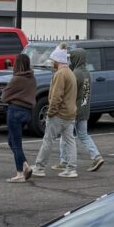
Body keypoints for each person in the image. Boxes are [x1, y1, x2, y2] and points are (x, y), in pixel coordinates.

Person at [32, 47, 77, 179]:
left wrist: (50, 112)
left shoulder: (60, 74)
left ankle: (39, 167)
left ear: (57, 60)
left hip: (58, 114)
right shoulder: (70, 73)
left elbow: (56, 96)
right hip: (70, 113)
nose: (52, 63)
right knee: (70, 141)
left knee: (48, 140)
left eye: (53, 61)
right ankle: (71, 168)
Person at [1, 52, 37, 182]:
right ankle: (25, 165)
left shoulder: (16, 79)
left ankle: (20, 173)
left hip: (15, 111)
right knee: (12, 141)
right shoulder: (32, 78)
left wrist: (12, 97)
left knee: (16, 143)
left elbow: (4, 97)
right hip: (27, 112)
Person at [67, 48, 104, 172]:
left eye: (71, 58)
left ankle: (65, 161)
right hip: (84, 109)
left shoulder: (75, 74)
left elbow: (70, 93)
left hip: (74, 110)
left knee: (66, 136)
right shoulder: (87, 73)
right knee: (83, 135)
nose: (70, 60)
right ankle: (96, 156)